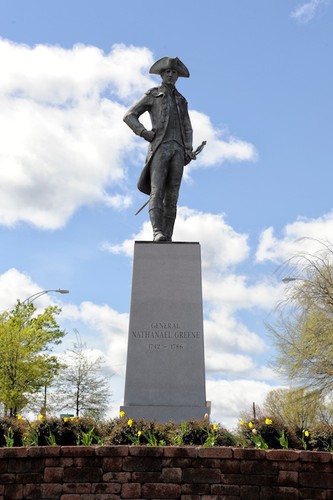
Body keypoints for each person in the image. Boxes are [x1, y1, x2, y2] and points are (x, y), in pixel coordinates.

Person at [123, 56, 195, 242]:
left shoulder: (181, 100)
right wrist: (143, 132)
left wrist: (188, 147)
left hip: (178, 150)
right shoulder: (153, 94)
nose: (171, 75)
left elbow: (187, 126)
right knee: (157, 191)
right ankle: (157, 232)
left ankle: (168, 235)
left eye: (174, 73)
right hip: (160, 147)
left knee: (173, 194)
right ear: (162, 75)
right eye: (167, 72)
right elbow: (129, 115)